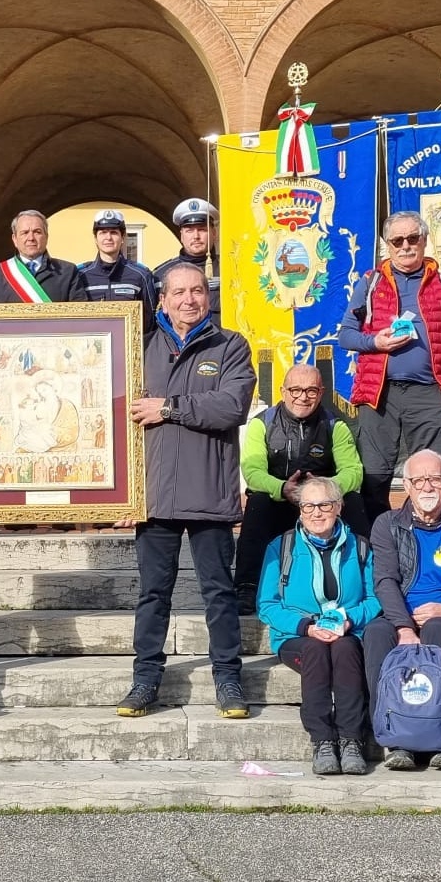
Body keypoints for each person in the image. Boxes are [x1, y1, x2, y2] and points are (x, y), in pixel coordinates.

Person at [117, 263, 255, 719]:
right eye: (179, 293)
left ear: (207, 297)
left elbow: (231, 406)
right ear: (163, 299)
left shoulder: (230, 345)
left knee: (218, 593)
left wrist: (170, 408)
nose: (189, 300)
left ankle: (229, 680)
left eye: (197, 291)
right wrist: (117, 491)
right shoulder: (137, 345)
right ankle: (144, 681)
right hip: (153, 495)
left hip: (209, 493)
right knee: (153, 594)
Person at [361, 450, 441, 771]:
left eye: (434, 478)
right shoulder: (387, 525)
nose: (427, 486)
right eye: (419, 480)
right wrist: (404, 627)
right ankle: (394, 736)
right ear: (406, 486)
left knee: (435, 628)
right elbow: (385, 581)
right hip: (397, 616)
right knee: (376, 633)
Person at [338, 210, 441, 522]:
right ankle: (376, 544)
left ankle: (426, 538)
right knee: (375, 475)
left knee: (429, 476)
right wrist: (375, 343)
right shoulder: (370, 283)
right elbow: (346, 336)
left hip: (428, 393)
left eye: (413, 238)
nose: (405, 245)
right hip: (379, 394)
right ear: (387, 245)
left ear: (424, 241)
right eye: (397, 240)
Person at [256, 477, 381, 777]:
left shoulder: (361, 547)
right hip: (298, 636)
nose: (316, 512)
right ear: (299, 510)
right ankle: (323, 740)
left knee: (345, 649)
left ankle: (351, 740)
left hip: (346, 632)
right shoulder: (281, 547)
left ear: (338, 507)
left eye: (324, 504)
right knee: (315, 649)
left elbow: (375, 598)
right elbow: (267, 605)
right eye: (308, 506)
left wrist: (349, 620)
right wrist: (306, 626)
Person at [236, 364, 363, 611]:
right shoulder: (261, 424)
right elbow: (252, 473)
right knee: (258, 502)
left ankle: (365, 581)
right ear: (283, 391)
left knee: (355, 502)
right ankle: (246, 587)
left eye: (311, 391)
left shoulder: (335, 425)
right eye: (295, 390)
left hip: (322, 503)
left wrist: (324, 489)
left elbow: (354, 471)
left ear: (322, 392)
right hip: (279, 500)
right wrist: (283, 488)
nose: (302, 397)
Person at [0, 210, 91, 303]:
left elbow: (79, 317)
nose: (31, 238)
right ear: (14, 239)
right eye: (24, 232)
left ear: (46, 237)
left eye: (37, 232)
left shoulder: (67, 271)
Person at [79, 209, 157, 323]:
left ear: (123, 237)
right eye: (103, 232)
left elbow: (150, 320)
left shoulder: (141, 275)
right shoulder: (81, 275)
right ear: (95, 238)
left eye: (114, 232)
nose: (108, 237)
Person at [154, 198, 221, 327]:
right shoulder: (160, 274)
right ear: (181, 235)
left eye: (202, 229)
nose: (196, 236)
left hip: (223, 344)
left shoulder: (231, 269)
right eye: (189, 230)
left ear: (214, 233)